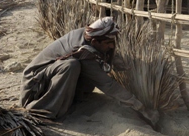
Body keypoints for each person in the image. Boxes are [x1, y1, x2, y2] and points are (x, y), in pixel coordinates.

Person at [20, 17, 157, 124]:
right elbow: (107, 84)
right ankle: (44, 110)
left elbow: (108, 55)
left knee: (77, 68)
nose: (111, 46)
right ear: (94, 42)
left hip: (50, 76)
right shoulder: (83, 51)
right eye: (107, 43)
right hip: (35, 85)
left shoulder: (90, 36)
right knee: (71, 66)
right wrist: (139, 106)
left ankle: (69, 100)